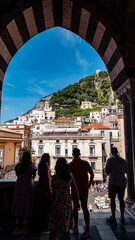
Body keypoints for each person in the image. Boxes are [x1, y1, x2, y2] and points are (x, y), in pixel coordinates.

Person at [49, 157, 79, 240]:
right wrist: (77, 202)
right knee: (66, 231)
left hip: (58, 206)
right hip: (67, 204)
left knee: (53, 230)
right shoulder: (70, 176)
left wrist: (52, 207)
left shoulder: (55, 177)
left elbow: (55, 194)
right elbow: (75, 190)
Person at [68, 148, 94, 239]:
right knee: (85, 208)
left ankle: (76, 227)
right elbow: (92, 174)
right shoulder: (85, 163)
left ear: (72, 154)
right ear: (79, 154)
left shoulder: (70, 165)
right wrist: (89, 184)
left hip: (75, 190)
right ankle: (87, 229)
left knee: (75, 208)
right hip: (84, 189)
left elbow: (68, 179)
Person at [12, 152, 37, 225]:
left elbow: (17, 174)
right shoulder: (31, 166)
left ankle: (17, 218)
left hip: (19, 184)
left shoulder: (19, 165)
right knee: (27, 201)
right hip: (28, 184)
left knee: (18, 200)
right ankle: (25, 219)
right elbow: (34, 175)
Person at [105, 147, 128, 225]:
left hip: (113, 182)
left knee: (112, 200)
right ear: (117, 152)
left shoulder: (110, 160)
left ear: (111, 152)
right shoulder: (123, 161)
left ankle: (113, 217)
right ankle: (122, 216)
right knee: (121, 199)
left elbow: (107, 171)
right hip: (122, 182)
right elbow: (126, 171)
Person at [37, 153, 52, 232]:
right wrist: (49, 189)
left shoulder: (40, 165)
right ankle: (46, 226)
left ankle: (41, 225)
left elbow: (39, 174)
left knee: (41, 207)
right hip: (45, 188)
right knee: (46, 208)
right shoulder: (46, 166)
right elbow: (47, 178)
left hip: (40, 186)